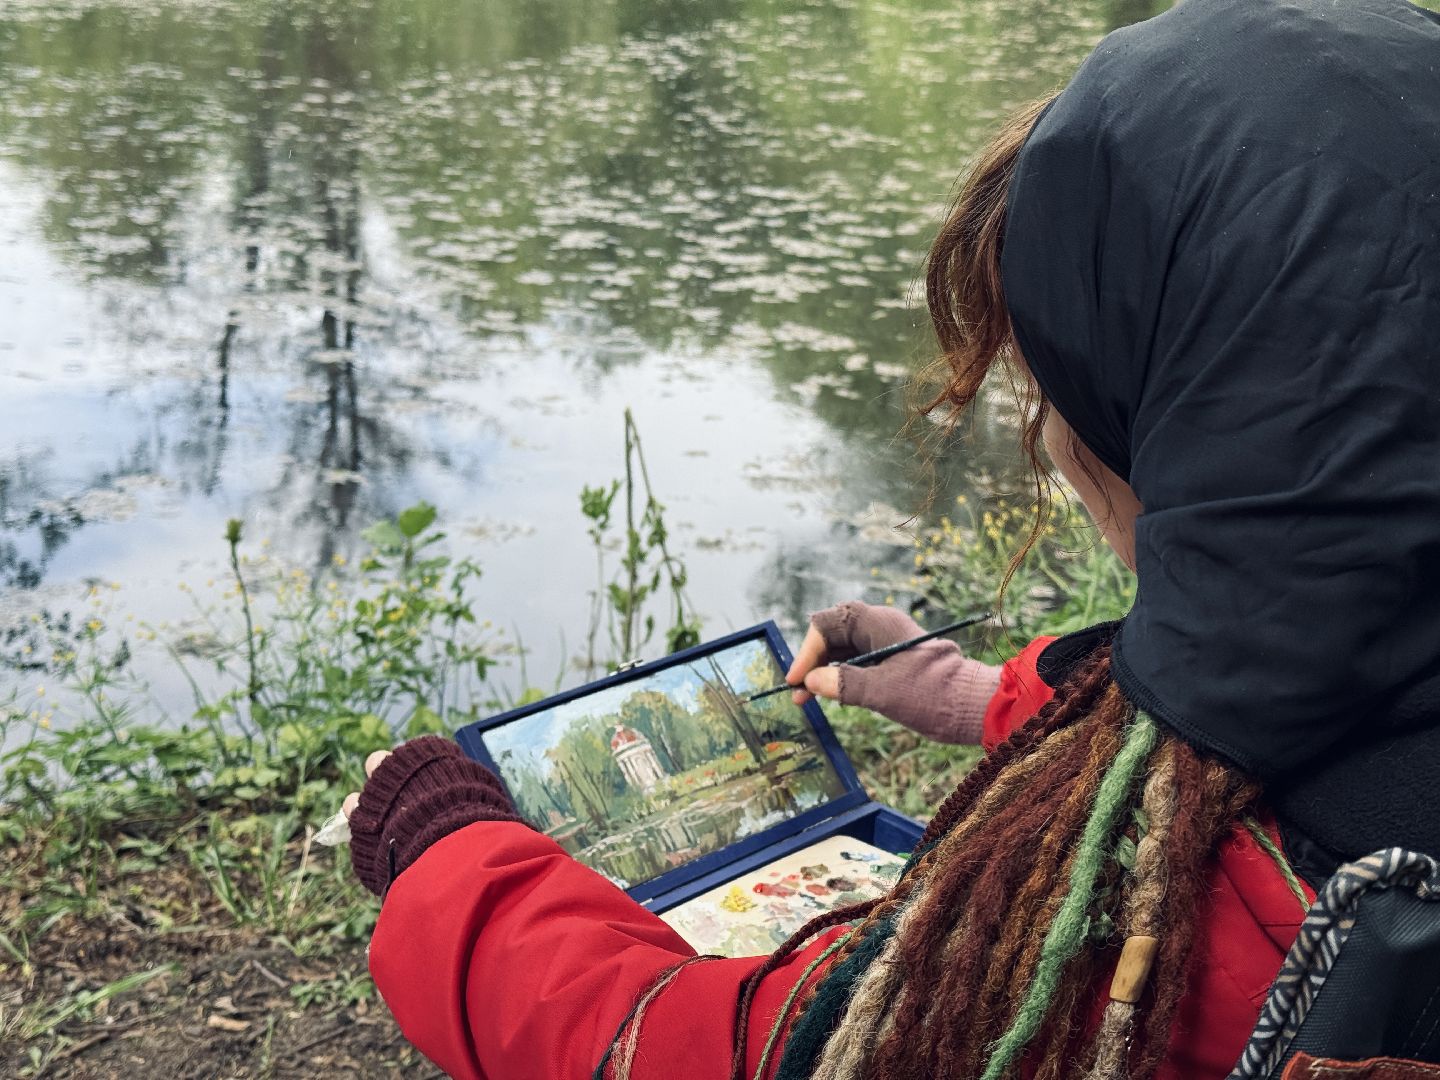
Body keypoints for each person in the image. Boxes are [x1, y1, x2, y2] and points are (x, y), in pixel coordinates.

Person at [339, 0, 1440, 1076]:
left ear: (1207, 406)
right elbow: (1302, 671)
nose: (1057, 440)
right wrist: (969, 697)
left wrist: (450, 855)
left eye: (1065, 377)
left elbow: (721, 1048)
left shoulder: (1165, 921)